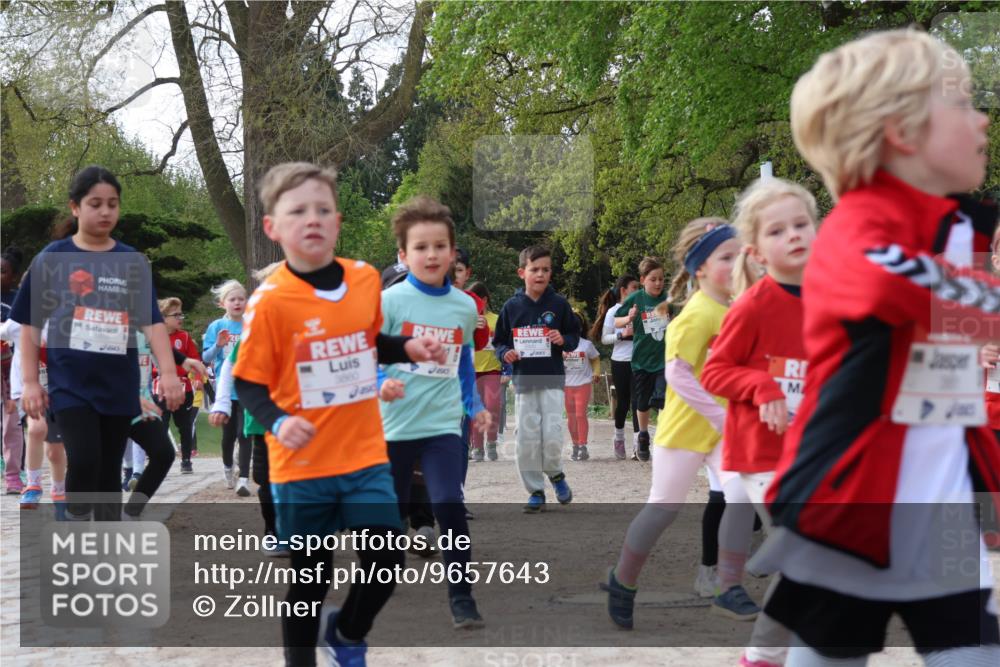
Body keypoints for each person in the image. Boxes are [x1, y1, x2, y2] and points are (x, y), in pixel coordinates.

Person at [757, 29, 1000, 666]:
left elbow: (952, 364)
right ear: (902, 130)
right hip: (851, 514)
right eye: (963, 103)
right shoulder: (854, 235)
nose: (983, 119)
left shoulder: (960, 228)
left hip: (945, 517)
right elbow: (954, 305)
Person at [232, 162, 445, 667]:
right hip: (301, 464)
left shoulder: (364, 279)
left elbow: (367, 341)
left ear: (338, 220)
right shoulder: (269, 303)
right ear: (273, 227)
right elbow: (248, 380)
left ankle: (348, 633)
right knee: (312, 576)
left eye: (322, 209)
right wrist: (280, 421)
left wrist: (407, 346)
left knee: (387, 559)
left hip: (363, 455)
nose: (312, 219)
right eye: (298, 210)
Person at [604, 219, 761, 629]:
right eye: (727, 257)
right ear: (700, 268)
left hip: (725, 432)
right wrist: (722, 415)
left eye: (740, 254)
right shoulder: (697, 314)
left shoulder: (737, 309)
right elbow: (678, 376)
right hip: (685, 432)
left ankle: (726, 586)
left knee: (740, 498)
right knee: (662, 511)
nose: (738, 263)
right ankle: (623, 580)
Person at [12, 165, 184, 521]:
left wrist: (169, 373)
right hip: (71, 384)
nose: (106, 212)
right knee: (86, 458)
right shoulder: (53, 259)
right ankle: (75, 522)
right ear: (75, 207)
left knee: (107, 472)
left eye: (113, 204)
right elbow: (29, 327)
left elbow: (153, 324)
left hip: (118, 386)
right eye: (95, 204)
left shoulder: (131, 261)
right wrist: (30, 382)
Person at [701, 177, 819, 667]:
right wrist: (763, 386)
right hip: (762, 457)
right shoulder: (753, 305)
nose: (793, 234)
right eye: (777, 231)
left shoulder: (830, 299)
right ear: (757, 252)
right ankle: (766, 655)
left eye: (801, 224)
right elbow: (714, 371)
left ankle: (767, 655)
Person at [378, 194, 491, 628]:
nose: (431, 254)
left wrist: (475, 404)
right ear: (404, 255)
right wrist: (377, 384)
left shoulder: (464, 307)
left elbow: (462, 363)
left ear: (453, 252)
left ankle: (462, 597)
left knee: (449, 503)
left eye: (440, 246)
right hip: (394, 426)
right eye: (420, 247)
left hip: (443, 425)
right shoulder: (389, 302)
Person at [492, 245, 580, 513]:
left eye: (545, 269)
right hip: (524, 383)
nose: (540, 274)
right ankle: (536, 490)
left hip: (552, 380)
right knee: (526, 438)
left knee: (551, 434)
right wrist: (506, 353)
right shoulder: (512, 307)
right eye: (534, 269)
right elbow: (499, 343)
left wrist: (562, 339)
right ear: (522, 272)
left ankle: (556, 474)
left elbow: (574, 337)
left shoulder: (559, 304)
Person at [210, 261, 286, 551]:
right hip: (263, 417)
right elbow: (231, 367)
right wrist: (221, 404)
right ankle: (273, 533)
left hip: (305, 418)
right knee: (266, 477)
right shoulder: (259, 328)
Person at [614, 258, 667, 461]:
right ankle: (643, 434)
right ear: (643, 280)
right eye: (653, 279)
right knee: (643, 402)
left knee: (663, 399)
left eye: (661, 279)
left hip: (664, 359)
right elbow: (616, 321)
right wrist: (629, 317)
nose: (658, 283)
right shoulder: (636, 298)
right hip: (641, 360)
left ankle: (663, 439)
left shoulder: (668, 299)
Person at [203, 279, 249, 491]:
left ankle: (244, 479)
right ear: (223, 303)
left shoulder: (252, 323)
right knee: (229, 435)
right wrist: (218, 345)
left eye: (241, 299)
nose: (237, 303)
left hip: (248, 386)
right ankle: (228, 468)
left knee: (244, 433)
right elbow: (205, 357)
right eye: (232, 299)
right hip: (225, 389)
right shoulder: (217, 326)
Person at [593, 274, 639, 459]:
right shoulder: (614, 311)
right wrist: (622, 335)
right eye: (634, 288)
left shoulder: (641, 308)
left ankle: (639, 444)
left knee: (639, 402)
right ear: (624, 290)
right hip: (620, 360)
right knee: (623, 402)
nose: (638, 291)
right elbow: (604, 338)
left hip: (639, 360)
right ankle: (618, 437)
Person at [467, 281, 502, 462]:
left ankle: (492, 441)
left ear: (484, 300)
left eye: (475, 300)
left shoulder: (496, 319)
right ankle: (477, 447)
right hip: (471, 371)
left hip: (492, 370)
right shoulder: (466, 318)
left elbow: (504, 343)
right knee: (475, 409)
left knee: (493, 404)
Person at [1, 247, 25, 494]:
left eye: (3, 271)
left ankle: (13, 476)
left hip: (11, 369)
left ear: (14, 276)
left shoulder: (19, 299)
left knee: (12, 425)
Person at [563, 310, 600, 461]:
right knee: (571, 417)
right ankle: (575, 446)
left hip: (583, 384)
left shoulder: (587, 345)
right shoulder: (560, 345)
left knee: (580, 414)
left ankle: (583, 446)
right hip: (566, 386)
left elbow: (596, 359)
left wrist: (596, 372)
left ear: (580, 327)